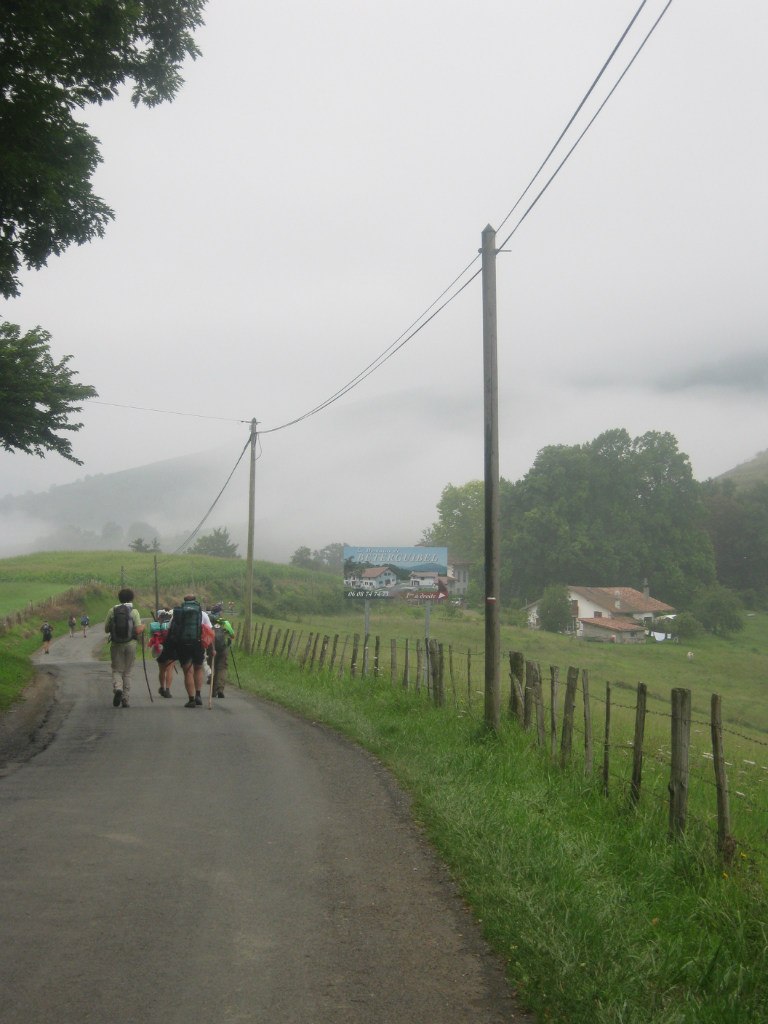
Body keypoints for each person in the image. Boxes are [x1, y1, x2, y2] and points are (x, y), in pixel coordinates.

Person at [158, 595, 212, 708]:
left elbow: (170, 630)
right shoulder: (202, 613)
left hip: (183, 645)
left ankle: (191, 699)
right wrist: (212, 647)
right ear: (195, 601)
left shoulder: (178, 613)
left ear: (184, 602)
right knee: (198, 668)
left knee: (188, 671)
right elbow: (209, 631)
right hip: (198, 644)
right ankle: (198, 695)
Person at [103, 588, 144, 708]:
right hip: (130, 644)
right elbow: (137, 630)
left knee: (116, 669)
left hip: (116, 644)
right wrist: (143, 627)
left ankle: (118, 688)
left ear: (119, 598)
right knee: (128, 671)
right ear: (131, 598)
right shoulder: (134, 612)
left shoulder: (112, 610)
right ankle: (125, 699)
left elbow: (106, 629)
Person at [148, 610, 175, 698]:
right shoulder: (172, 625)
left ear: (159, 617)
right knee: (170, 669)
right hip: (170, 648)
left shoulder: (155, 625)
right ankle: (168, 689)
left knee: (162, 670)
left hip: (159, 648)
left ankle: (162, 688)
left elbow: (151, 637)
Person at [209, 614, 235, 698]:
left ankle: (213, 691)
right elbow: (232, 636)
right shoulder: (224, 625)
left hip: (211, 650)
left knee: (213, 669)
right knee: (222, 668)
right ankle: (220, 689)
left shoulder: (210, 626)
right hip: (223, 650)